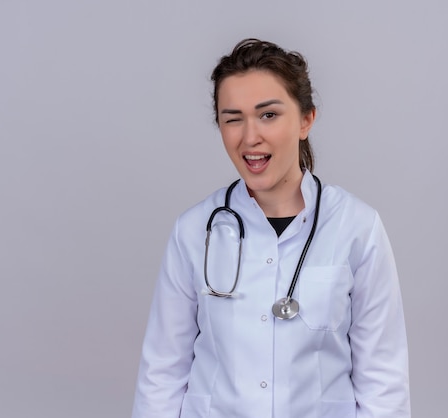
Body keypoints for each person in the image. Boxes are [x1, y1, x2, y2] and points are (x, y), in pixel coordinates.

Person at [131, 38, 410, 418]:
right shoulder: (195, 230)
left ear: (306, 120)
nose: (249, 137)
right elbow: (161, 375)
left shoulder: (357, 228)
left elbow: (383, 382)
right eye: (233, 119)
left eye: (268, 115)